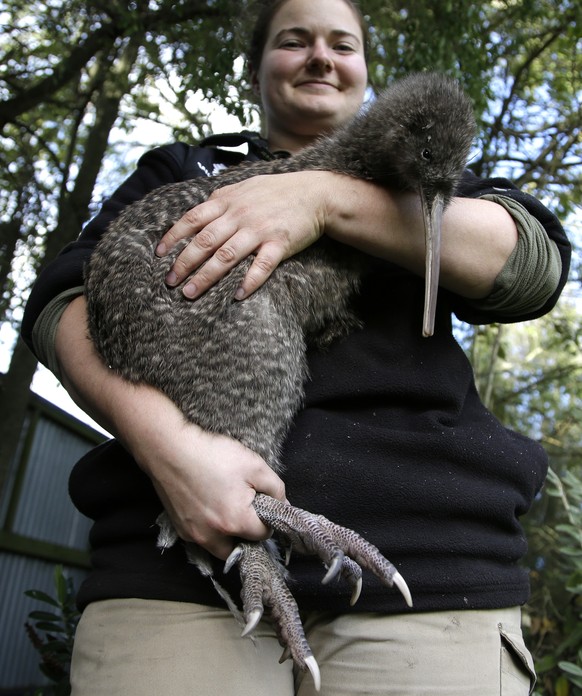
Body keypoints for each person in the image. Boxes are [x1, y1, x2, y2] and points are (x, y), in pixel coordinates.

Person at [21, 0, 571, 694]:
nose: (321, 56)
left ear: (367, 74)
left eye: (344, 44)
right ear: (256, 71)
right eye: (294, 40)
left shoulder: (426, 176)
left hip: (429, 565)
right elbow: (59, 305)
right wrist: (173, 454)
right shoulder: (186, 168)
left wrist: (320, 200)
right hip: (177, 572)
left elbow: (533, 267)